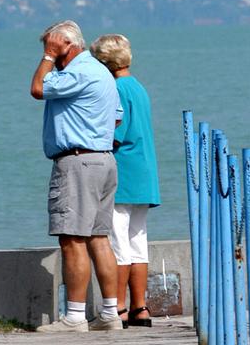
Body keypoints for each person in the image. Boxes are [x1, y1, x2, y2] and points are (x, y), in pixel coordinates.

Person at [29, 20, 124, 333]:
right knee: (99, 238)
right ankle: (110, 313)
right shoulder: (101, 72)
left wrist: (47, 59)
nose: (50, 55)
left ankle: (75, 317)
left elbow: (38, 89)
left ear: (66, 46)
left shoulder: (78, 71)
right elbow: (118, 116)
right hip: (104, 160)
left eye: (53, 48)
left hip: (78, 162)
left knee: (72, 240)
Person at [90, 34, 161, 328]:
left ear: (105, 63)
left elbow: (116, 134)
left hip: (124, 172)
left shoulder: (116, 89)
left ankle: (117, 307)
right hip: (145, 172)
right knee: (138, 241)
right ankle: (139, 306)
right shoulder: (139, 87)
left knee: (117, 243)